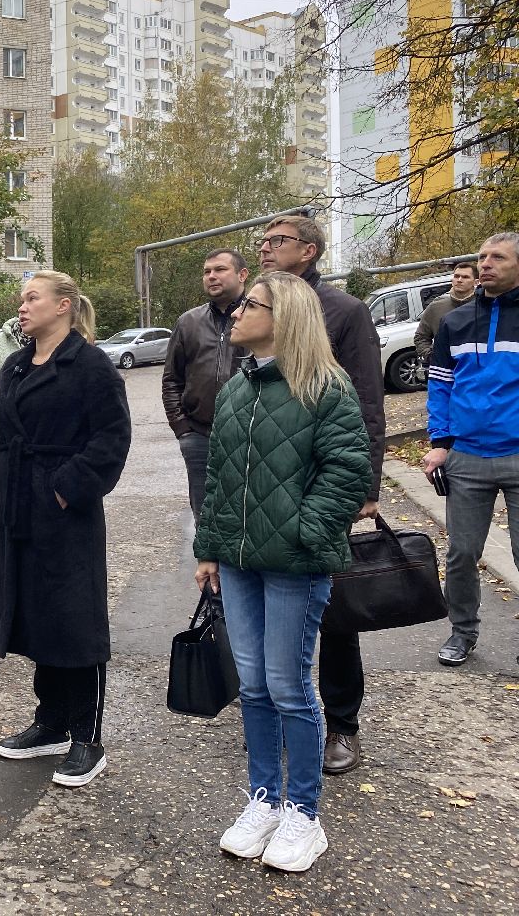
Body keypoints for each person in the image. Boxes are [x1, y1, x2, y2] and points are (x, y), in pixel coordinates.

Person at [194, 271, 371, 873]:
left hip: (294, 564)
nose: (237, 311)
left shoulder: (326, 385)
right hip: (240, 564)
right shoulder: (238, 387)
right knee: (254, 686)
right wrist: (208, 548)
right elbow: (218, 480)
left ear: (284, 315)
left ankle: (304, 814)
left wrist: (307, 532)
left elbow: (348, 469)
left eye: (251, 304)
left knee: (290, 685)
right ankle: (263, 800)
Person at [0, 271, 132, 788]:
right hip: (13, 505)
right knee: (35, 616)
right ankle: (51, 721)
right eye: (22, 298)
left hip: (62, 510)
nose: (23, 306)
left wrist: (67, 486)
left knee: (74, 619)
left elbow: (112, 438)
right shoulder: (14, 363)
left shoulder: (91, 366)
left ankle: (87, 737)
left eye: (32, 297)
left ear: (64, 306)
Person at [258, 214, 383, 776]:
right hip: (266, 483)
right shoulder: (257, 309)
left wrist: (366, 485)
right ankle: (287, 715)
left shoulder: (344, 312)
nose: (264, 248)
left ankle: (342, 725)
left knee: (331, 611)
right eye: (261, 241)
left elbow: (366, 400)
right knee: (270, 608)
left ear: (307, 252)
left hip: (320, 482)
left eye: (276, 241)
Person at [422, 233, 519, 666]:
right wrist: (440, 444)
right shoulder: (455, 322)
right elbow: (439, 387)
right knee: (461, 553)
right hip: (468, 456)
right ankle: (463, 632)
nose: (485, 264)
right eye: (482, 256)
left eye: (497, 257)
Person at [161, 248, 250, 520]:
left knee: (249, 512)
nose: (211, 276)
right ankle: (208, 563)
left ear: (242, 274)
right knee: (205, 514)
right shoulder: (188, 322)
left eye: (220, 270)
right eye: (206, 272)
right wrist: (183, 429)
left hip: (250, 436)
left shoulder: (259, 316)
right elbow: (172, 379)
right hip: (199, 436)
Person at [413, 261, 478, 362]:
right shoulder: (437, 306)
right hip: (445, 371)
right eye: (456, 276)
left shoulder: (484, 305)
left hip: (477, 369)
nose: (459, 280)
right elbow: (421, 337)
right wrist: (431, 357)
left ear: (476, 282)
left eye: (465, 277)